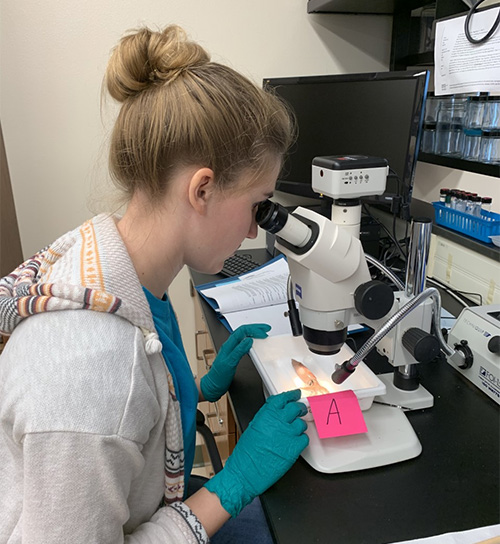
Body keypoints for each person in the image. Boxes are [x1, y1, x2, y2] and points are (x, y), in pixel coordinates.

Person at [0, 25, 309, 543]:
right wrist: (230, 484)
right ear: (203, 189)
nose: (256, 229)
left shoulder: (115, 266)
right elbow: (112, 401)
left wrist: (194, 391)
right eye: (257, 204)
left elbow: (134, 408)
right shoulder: (91, 370)